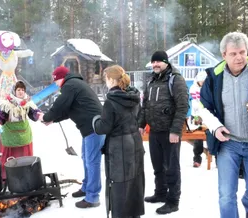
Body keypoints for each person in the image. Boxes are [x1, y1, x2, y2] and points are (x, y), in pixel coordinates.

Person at [199, 32, 248, 218]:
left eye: (242, 52)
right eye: (233, 53)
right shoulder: (213, 77)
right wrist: (215, 127)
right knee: (225, 195)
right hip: (228, 143)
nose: (239, 57)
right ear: (224, 55)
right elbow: (202, 107)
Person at [38, 66, 105, 208]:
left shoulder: (71, 85)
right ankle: (87, 188)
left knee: (92, 161)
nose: (55, 83)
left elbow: (60, 105)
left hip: (95, 127)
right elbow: (68, 110)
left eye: (55, 80)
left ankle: (93, 197)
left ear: (61, 78)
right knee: (86, 158)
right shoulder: (74, 84)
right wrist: (52, 120)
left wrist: (47, 116)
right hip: (89, 127)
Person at [138, 51, 189, 214]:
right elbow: (145, 105)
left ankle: (173, 201)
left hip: (170, 132)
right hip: (154, 131)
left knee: (171, 168)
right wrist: (141, 124)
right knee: (157, 166)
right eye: (153, 62)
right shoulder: (151, 80)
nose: (155, 65)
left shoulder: (176, 79)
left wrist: (175, 131)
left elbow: (183, 107)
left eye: (158, 62)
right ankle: (160, 193)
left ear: (166, 62)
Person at [92, 65, 145, 218]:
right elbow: (140, 116)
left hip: (119, 148)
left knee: (119, 185)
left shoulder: (111, 101)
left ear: (110, 79)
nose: (105, 82)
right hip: (135, 143)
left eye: (105, 79)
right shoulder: (134, 96)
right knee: (135, 181)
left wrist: (96, 119)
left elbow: (103, 127)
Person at [0, 81, 41, 180]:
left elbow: (34, 113)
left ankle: (25, 177)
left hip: (24, 135)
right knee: (9, 160)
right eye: (18, 90)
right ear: (14, 91)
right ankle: (6, 179)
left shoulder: (28, 103)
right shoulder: (6, 104)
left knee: (24, 160)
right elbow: (0, 116)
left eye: (23, 90)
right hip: (9, 136)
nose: (21, 92)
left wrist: (40, 116)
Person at [189, 71, 207, 167]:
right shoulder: (194, 88)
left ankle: (215, 156)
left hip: (208, 114)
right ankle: (197, 158)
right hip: (197, 115)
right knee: (198, 137)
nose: (203, 84)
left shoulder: (209, 87)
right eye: (202, 82)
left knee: (212, 136)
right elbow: (197, 103)